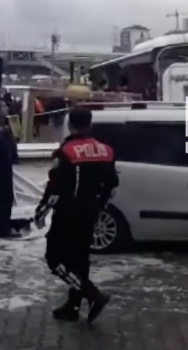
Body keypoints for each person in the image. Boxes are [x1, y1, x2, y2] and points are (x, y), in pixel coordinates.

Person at [34, 106, 119, 323]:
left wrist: (40, 212)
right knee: (80, 260)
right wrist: (98, 206)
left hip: (68, 214)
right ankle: (72, 307)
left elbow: (55, 188)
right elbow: (111, 184)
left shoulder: (66, 152)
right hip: (90, 213)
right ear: (90, 124)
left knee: (54, 259)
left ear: (70, 124)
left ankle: (93, 295)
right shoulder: (106, 150)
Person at [0, 101, 19, 238]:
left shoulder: (6, 127)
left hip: (5, 168)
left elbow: (11, 147)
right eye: (3, 106)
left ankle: (4, 225)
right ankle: (3, 228)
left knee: (7, 197)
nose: (6, 108)